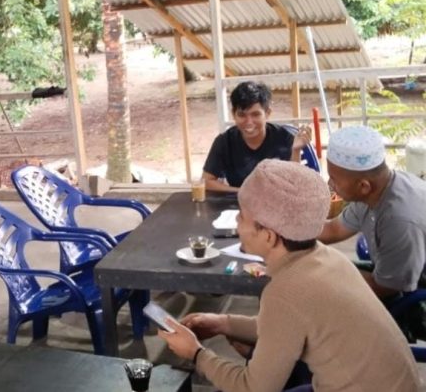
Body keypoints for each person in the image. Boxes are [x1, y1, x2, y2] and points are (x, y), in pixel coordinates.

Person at [158, 160, 421, 392]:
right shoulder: (327, 258)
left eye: (242, 216)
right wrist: (222, 323)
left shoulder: (286, 291)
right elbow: (283, 325)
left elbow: (252, 387)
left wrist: (196, 354)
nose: (237, 223)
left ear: (268, 236)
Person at [318, 126, 426, 336]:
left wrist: (329, 275)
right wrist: (287, 233)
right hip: (393, 271)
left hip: (413, 291)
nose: (330, 184)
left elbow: (388, 286)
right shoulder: (374, 191)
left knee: (320, 295)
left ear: (364, 186)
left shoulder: (399, 219)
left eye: (334, 179)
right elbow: (333, 229)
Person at [202, 81, 312, 192]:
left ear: (267, 113)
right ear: (233, 115)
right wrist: (242, 192)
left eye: (255, 114)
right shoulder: (224, 142)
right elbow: (207, 181)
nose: (249, 122)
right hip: (240, 200)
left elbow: (295, 184)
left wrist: (296, 150)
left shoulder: (284, 138)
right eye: (242, 115)